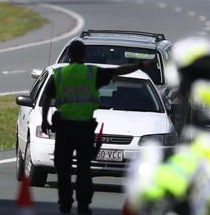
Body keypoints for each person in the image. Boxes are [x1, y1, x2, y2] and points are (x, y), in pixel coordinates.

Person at [40, 39, 153, 214]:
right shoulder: (92, 73)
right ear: (84, 55)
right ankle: (83, 206)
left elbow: (47, 99)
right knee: (84, 169)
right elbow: (118, 71)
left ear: (69, 55)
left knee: (63, 169)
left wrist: (44, 120)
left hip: (64, 129)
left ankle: (65, 204)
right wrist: (139, 65)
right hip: (84, 129)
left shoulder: (60, 74)